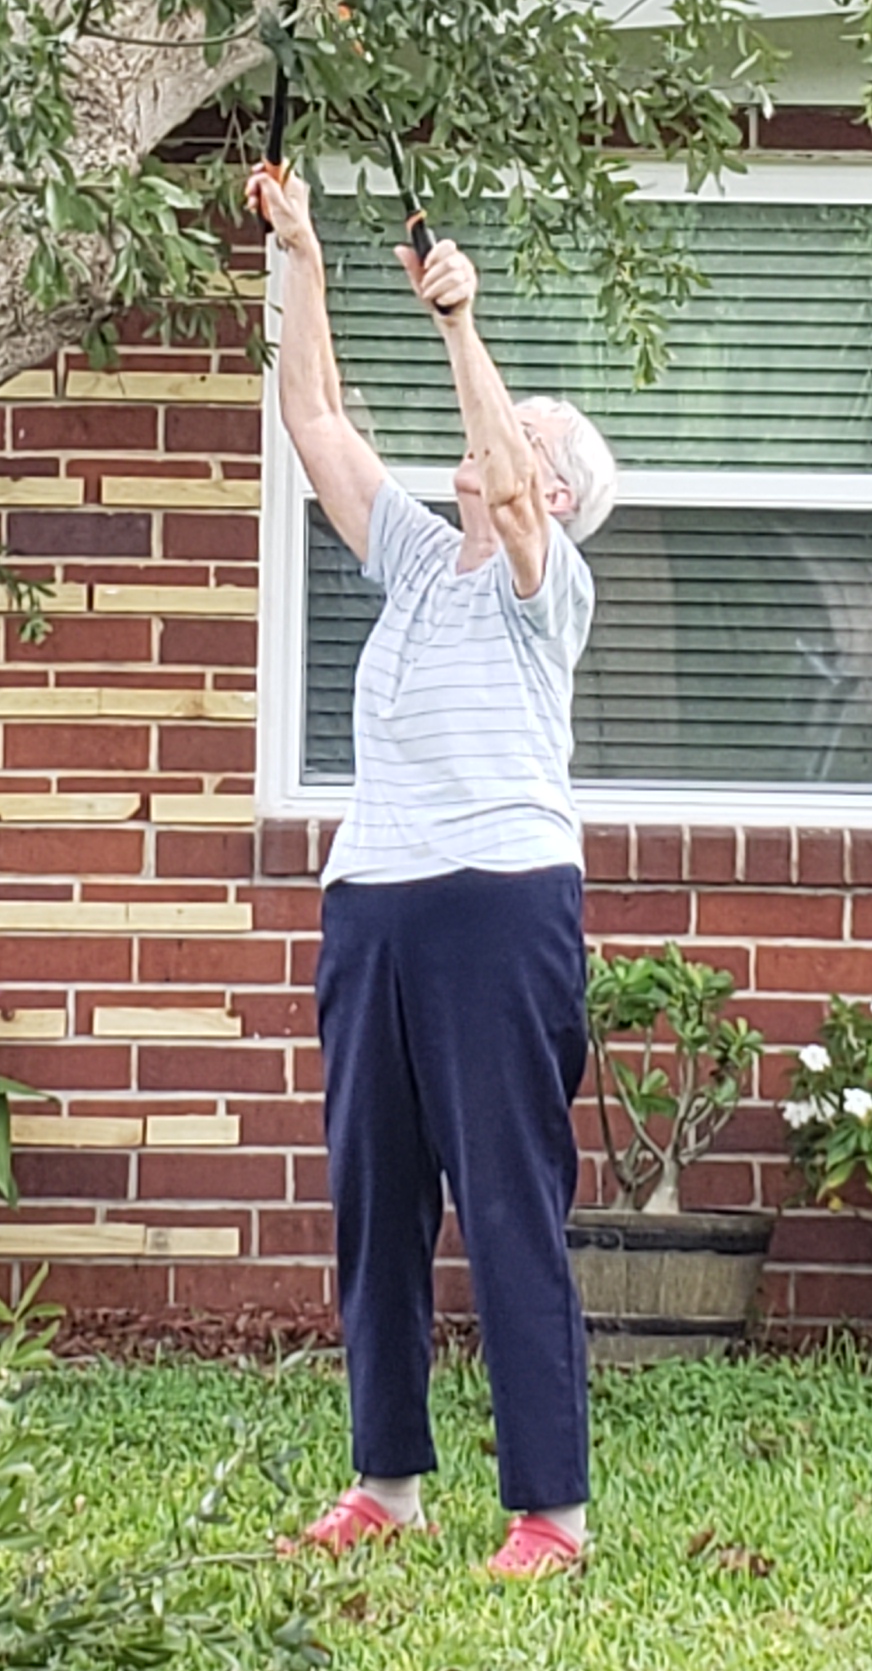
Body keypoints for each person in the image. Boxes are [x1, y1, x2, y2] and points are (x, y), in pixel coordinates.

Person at [250, 164, 620, 1583]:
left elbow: (509, 485)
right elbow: (316, 419)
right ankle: (387, 1485)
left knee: (509, 1203)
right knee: (377, 1202)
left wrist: (461, 325)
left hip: (500, 904)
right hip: (375, 904)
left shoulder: (548, 589)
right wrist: (302, 258)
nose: (500, 440)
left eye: (530, 433)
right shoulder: (415, 561)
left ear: (560, 488)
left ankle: (551, 1516)